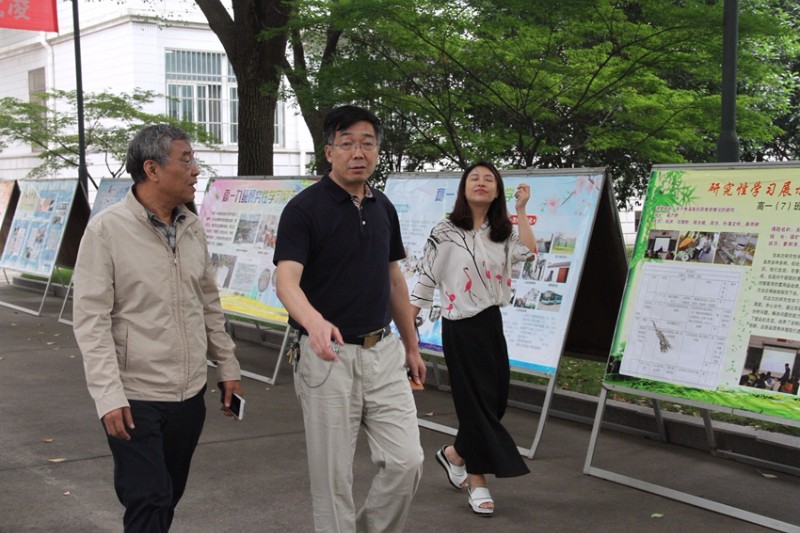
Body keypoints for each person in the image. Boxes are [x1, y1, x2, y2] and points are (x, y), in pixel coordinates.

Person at [72, 124, 242, 532]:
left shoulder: (191, 226)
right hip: (135, 397)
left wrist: (228, 367)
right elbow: (90, 320)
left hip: (188, 394)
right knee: (149, 499)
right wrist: (109, 396)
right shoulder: (106, 231)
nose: (196, 170)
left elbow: (208, 303)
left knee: (166, 498)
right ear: (152, 169)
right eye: (186, 161)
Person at [273, 105, 426, 533]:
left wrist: (411, 345)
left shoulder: (383, 207)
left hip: (384, 354)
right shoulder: (304, 210)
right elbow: (286, 281)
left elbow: (394, 279)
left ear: (378, 151)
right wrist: (314, 322)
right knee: (333, 481)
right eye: (347, 143)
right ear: (329, 152)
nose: (358, 152)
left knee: (406, 462)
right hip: (328, 359)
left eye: (367, 143)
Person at [410, 161, 537, 516]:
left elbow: (528, 252)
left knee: (495, 401)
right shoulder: (446, 230)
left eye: (489, 179)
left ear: (497, 191)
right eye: (474, 178)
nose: (481, 183)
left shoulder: (502, 232)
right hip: (459, 324)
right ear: (464, 187)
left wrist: (522, 211)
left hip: (490, 323)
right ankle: (477, 480)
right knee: (475, 405)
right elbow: (425, 280)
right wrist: (409, 331)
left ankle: (455, 454)